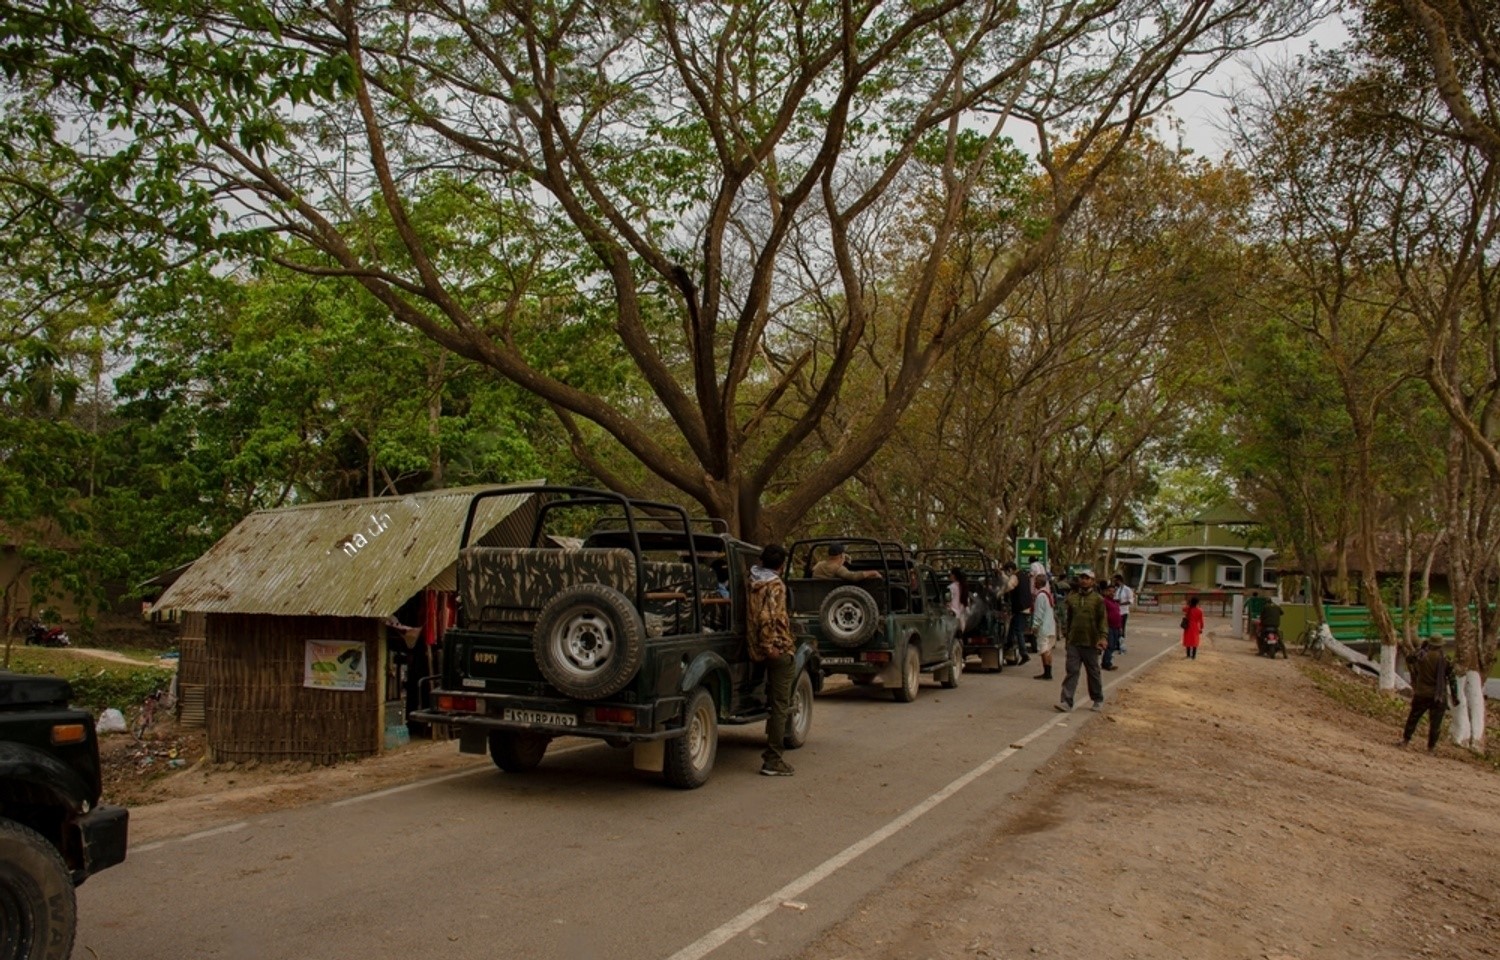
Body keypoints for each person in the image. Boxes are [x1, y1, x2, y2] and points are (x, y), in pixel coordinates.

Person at [747, 544, 798, 776]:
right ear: (781, 565)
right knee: (780, 704)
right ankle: (773, 759)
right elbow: (770, 616)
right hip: (776, 647)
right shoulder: (775, 585)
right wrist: (771, 646)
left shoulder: (751, 581)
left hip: (754, 646)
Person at [1057, 568, 1107, 712]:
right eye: (1082, 578)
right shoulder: (1072, 598)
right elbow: (1069, 619)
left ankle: (1097, 698)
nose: (1084, 580)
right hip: (1074, 642)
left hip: (1091, 642)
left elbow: (1103, 621)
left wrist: (1103, 638)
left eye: (1087, 578)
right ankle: (1066, 701)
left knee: (1093, 672)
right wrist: (1067, 637)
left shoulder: (1098, 600)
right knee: (1072, 671)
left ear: (1092, 581)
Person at [1400, 640, 1451, 754]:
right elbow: (1451, 678)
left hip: (1422, 693)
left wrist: (1420, 648)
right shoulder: (1445, 659)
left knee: (1413, 718)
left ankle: (1405, 740)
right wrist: (1455, 696)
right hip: (1439, 696)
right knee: (1435, 724)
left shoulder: (1421, 655)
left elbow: (1409, 658)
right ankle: (1431, 748)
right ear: (1441, 645)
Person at [1003, 561, 1033, 666]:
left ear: (1010, 569)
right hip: (1025, 607)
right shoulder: (1024, 575)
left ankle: (1024, 654)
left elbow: (1009, 586)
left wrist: (999, 593)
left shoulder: (1015, 577)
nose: (1007, 573)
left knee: (1018, 630)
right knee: (1012, 627)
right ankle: (1008, 645)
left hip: (1020, 607)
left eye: (1007, 571)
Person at [1031, 572, 1058, 680]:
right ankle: (1048, 672)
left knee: (1044, 650)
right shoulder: (1047, 594)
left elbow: (1038, 613)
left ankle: (1047, 673)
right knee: (1048, 649)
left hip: (1043, 627)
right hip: (1050, 626)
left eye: (1035, 582)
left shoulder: (1040, 596)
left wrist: (1035, 626)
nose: (1034, 584)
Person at [811, 542, 882, 581]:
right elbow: (853, 577)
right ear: (842, 556)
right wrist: (873, 572)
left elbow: (812, 570)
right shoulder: (837, 568)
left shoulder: (819, 564)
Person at [1100, 583, 1123, 671]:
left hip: (1116, 627)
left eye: (1113, 592)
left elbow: (1118, 615)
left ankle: (1107, 661)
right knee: (1110, 645)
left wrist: (1120, 627)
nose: (1111, 593)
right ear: (1105, 592)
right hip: (1108, 626)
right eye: (1109, 591)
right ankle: (1106, 663)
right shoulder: (1104, 601)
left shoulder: (1115, 602)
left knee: (1113, 646)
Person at [1111, 574, 1135, 653]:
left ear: (1119, 580)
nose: (1114, 582)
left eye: (1115, 581)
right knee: (1115, 628)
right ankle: (1115, 644)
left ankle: (1121, 645)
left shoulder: (1127, 589)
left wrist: (1121, 603)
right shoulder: (1116, 589)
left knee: (1121, 628)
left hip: (1123, 611)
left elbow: (1130, 600)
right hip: (1116, 612)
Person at [1182, 595, 1204, 659]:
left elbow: (1183, 609)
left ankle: (1188, 655)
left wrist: (1188, 604)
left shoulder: (1188, 608)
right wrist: (1201, 627)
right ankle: (1193, 656)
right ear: (1197, 603)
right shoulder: (1200, 610)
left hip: (1188, 626)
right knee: (1195, 641)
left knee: (1188, 640)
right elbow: (1201, 621)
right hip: (1195, 627)